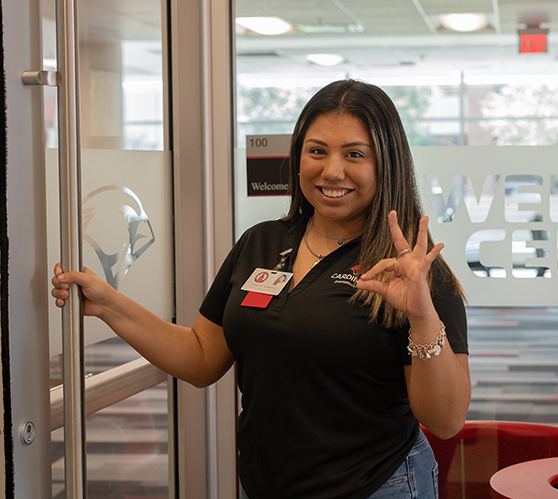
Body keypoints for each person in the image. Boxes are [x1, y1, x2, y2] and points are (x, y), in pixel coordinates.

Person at [52, 79, 471, 499]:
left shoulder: (410, 270)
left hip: (376, 486)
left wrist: (421, 315)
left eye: (355, 155)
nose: (331, 171)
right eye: (317, 151)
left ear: (386, 163)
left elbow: (446, 420)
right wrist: (109, 304)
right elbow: (201, 356)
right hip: (265, 485)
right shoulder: (262, 242)